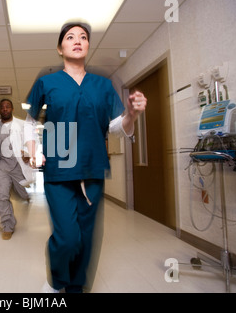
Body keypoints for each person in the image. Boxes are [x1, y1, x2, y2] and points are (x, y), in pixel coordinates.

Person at [24, 22, 147, 293]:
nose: (77, 40)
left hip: (92, 167)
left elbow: (116, 128)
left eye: (83, 37)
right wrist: (35, 151)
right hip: (58, 168)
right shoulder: (47, 82)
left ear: (88, 45)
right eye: (70, 37)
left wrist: (132, 115)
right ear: (60, 48)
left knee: (87, 237)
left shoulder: (103, 86)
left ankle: (77, 287)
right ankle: (57, 282)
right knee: (68, 237)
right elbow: (29, 121)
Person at [0, 99, 35, 240]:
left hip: (18, 166)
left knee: (21, 188)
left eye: (7, 107)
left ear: (12, 109)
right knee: (2, 196)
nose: (5, 109)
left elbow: (31, 141)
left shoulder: (22, 125)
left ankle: (24, 195)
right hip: (2, 167)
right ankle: (8, 225)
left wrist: (27, 152)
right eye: (2, 107)